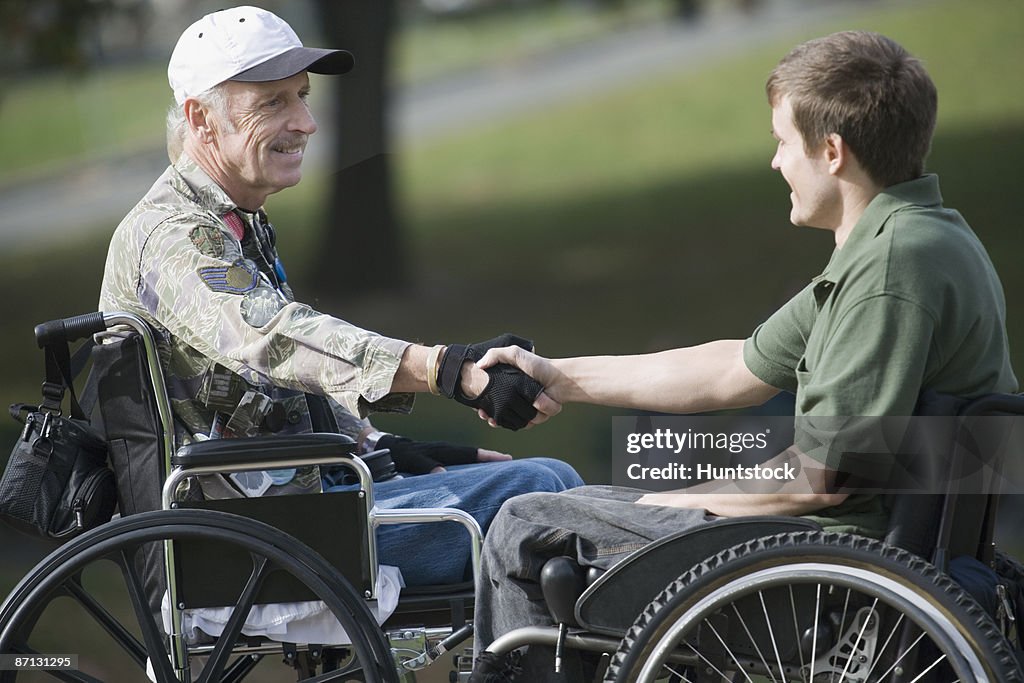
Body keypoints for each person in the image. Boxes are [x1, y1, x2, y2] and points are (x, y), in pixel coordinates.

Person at [468, 30, 1017, 681]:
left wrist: (673, 502)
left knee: (522, 521)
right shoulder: (919, 237)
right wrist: (559, 375)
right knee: (570, 506)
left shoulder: (889, 272)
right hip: (837, 552)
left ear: (832, 152)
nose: (775, 161)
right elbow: (734, 368)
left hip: (825, 573)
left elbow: (819, 477)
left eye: (784, 141)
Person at [98, 4, 581, 599]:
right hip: (261, 542)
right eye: (273, 102)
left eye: (301, 96)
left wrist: (383, 446)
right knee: (546, 496)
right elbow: (271, 339)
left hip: (296, 511)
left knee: (538, 489)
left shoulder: (230, 222)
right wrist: (442, 369)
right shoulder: (173, 236)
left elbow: (271, 391)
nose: (306, 121)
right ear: (201, 117)